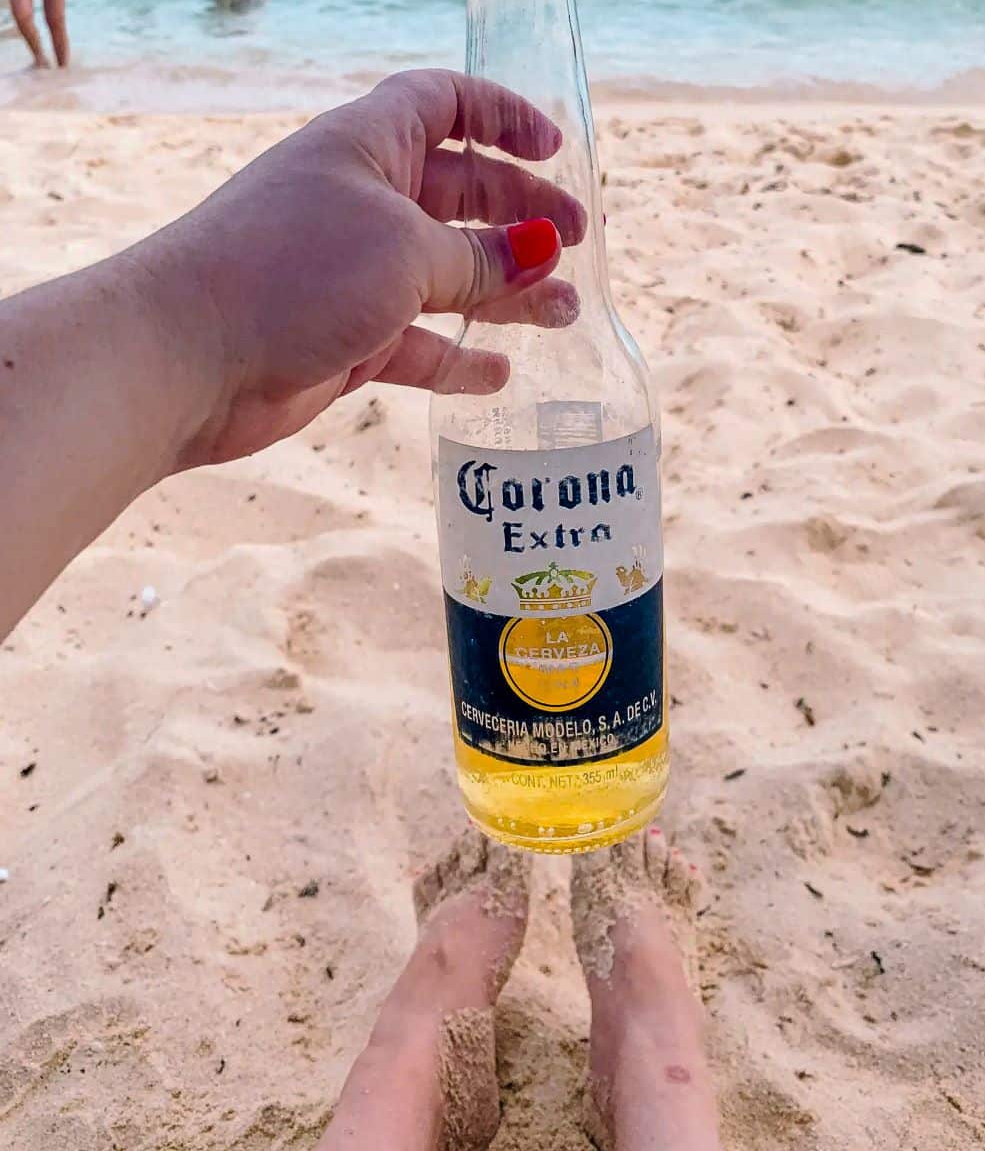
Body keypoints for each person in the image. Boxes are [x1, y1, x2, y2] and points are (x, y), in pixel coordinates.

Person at [0, 69, 725, 1150]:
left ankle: (439, 1032)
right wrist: (212, 316)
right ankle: (629, 1046)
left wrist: (206, 325)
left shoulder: (595, 339)